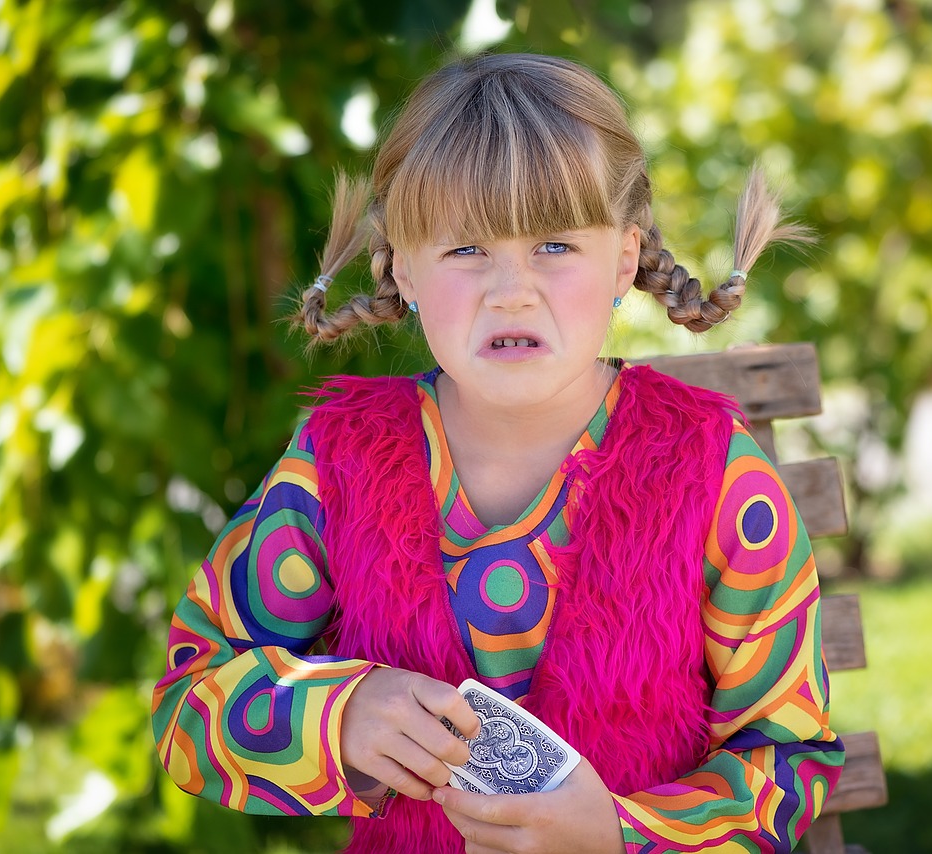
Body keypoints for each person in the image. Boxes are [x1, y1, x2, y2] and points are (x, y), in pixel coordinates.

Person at [151, 52, 843, 853]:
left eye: (553, 245)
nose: (511, 289)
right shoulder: (336, 465)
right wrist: (336, 715)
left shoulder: (716, 474)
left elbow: (789, 760)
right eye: (466, 250)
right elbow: (188, 703)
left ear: (624, 258)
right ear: (402, 269)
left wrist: (623, 836)